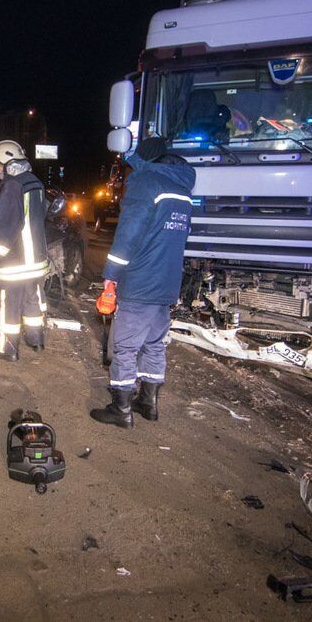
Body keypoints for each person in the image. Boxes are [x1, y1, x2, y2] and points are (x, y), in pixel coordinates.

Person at [90, 137, 196, 429]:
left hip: (141, 282)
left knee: (124, 347)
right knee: (154, 344)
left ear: (144, 158)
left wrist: (110, 277)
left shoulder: (145, 183)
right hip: (167, 282)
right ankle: (149, 403)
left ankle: (121, 409)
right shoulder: (182, 189)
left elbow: (128, 236)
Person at [0, 140, 48, 361]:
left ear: (6, 163)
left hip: (16, 262)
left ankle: (8, 349)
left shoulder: (12, 186)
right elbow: (31, 216)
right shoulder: (36, 183)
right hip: (37, 260)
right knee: (33, 301)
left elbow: (6, 226)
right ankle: (36, 340)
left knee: (9, 307)